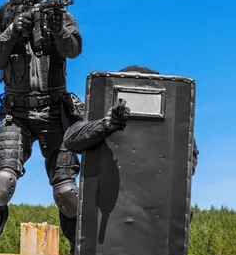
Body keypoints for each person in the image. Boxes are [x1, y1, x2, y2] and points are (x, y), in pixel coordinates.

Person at [0, 0, 83, 255]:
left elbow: (73, 49)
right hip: (15, 112)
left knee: (67, 191)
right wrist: (14, 29)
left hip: (54, 111)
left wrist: (56, 24)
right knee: (3, 181)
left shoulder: (58, 13)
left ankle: (81, 251)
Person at [63, 65, 199, 177]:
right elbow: (70, 140)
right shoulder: (101, 120)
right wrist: (107, 125)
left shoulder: (173, 126)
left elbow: (188, 165)